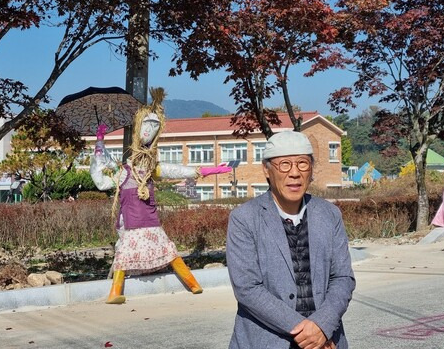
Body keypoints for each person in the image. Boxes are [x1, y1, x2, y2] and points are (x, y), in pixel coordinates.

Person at [90, 87, 231, 304]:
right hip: (132, 224)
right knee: (130, 256)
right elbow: (101, 172)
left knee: (165, 252)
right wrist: (99, 141)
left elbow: (180, 170)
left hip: (149, 222)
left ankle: (193, 284)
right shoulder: (123, 172)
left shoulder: (150, 170)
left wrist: (212, 170)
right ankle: (115, 292)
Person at [226, 130, 355, 349]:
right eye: (284, 164)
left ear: (311, 169)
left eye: (302, 164)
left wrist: (323, 326)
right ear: (266, 170)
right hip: (266, 341)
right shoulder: (244, 218)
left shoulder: (329, 214)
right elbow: (247, 288)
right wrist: (308, 330)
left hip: (326, 341)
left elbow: (343, 278)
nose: (294, 173)